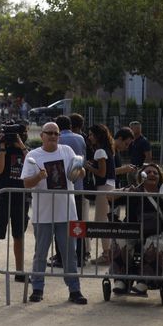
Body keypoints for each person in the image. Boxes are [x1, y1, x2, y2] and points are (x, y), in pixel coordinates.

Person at [21, 122, 87, 305]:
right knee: (40, 254)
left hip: (67, 213)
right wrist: (39, 177)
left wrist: (79, 171)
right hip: (43, 215)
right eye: (49, 133)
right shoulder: (33, 156)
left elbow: (79, 173)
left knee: (70, 255)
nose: (52, 136)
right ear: (41, 135)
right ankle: (37, 289)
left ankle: (75, 290)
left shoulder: (67, 151)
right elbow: (26, 183)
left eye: (56, 133)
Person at [110, 162, 163, 295]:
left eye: (155, 172)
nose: (152, 174)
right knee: (120, 240)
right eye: (148, 172)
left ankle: (144, 281)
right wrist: (125, 191)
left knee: (154, 244)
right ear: (141, 176)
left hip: (158, 233)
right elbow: (108, 196)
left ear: (160, 177)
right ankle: (121, 280)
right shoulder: (134, 191)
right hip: (132, 232)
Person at [0, 122, 30, 283]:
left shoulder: (25, 150)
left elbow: (31, 163)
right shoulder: (1, 149)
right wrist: (2, 148)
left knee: (19, 234)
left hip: (20, 197)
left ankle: (19, 271)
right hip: (2, 196)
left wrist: (21, 145)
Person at [56, 114, 88, 267]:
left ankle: (61, 257)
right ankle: (80, 256)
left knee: (60, 222)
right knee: (77, 224)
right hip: (79, 185)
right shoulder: (80, 138)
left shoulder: (59, 139)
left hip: (62, 185)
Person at [86, 124, 117, 265]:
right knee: (103, 220)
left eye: (91, 134)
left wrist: (88, 167)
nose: (89, 137)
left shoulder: (99, 151)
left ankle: (107, 254)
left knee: (101, 221)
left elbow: (101, 173)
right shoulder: (108, 149)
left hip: (104, 187)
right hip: (109, 186)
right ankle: (108, 252)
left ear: (98, 136)